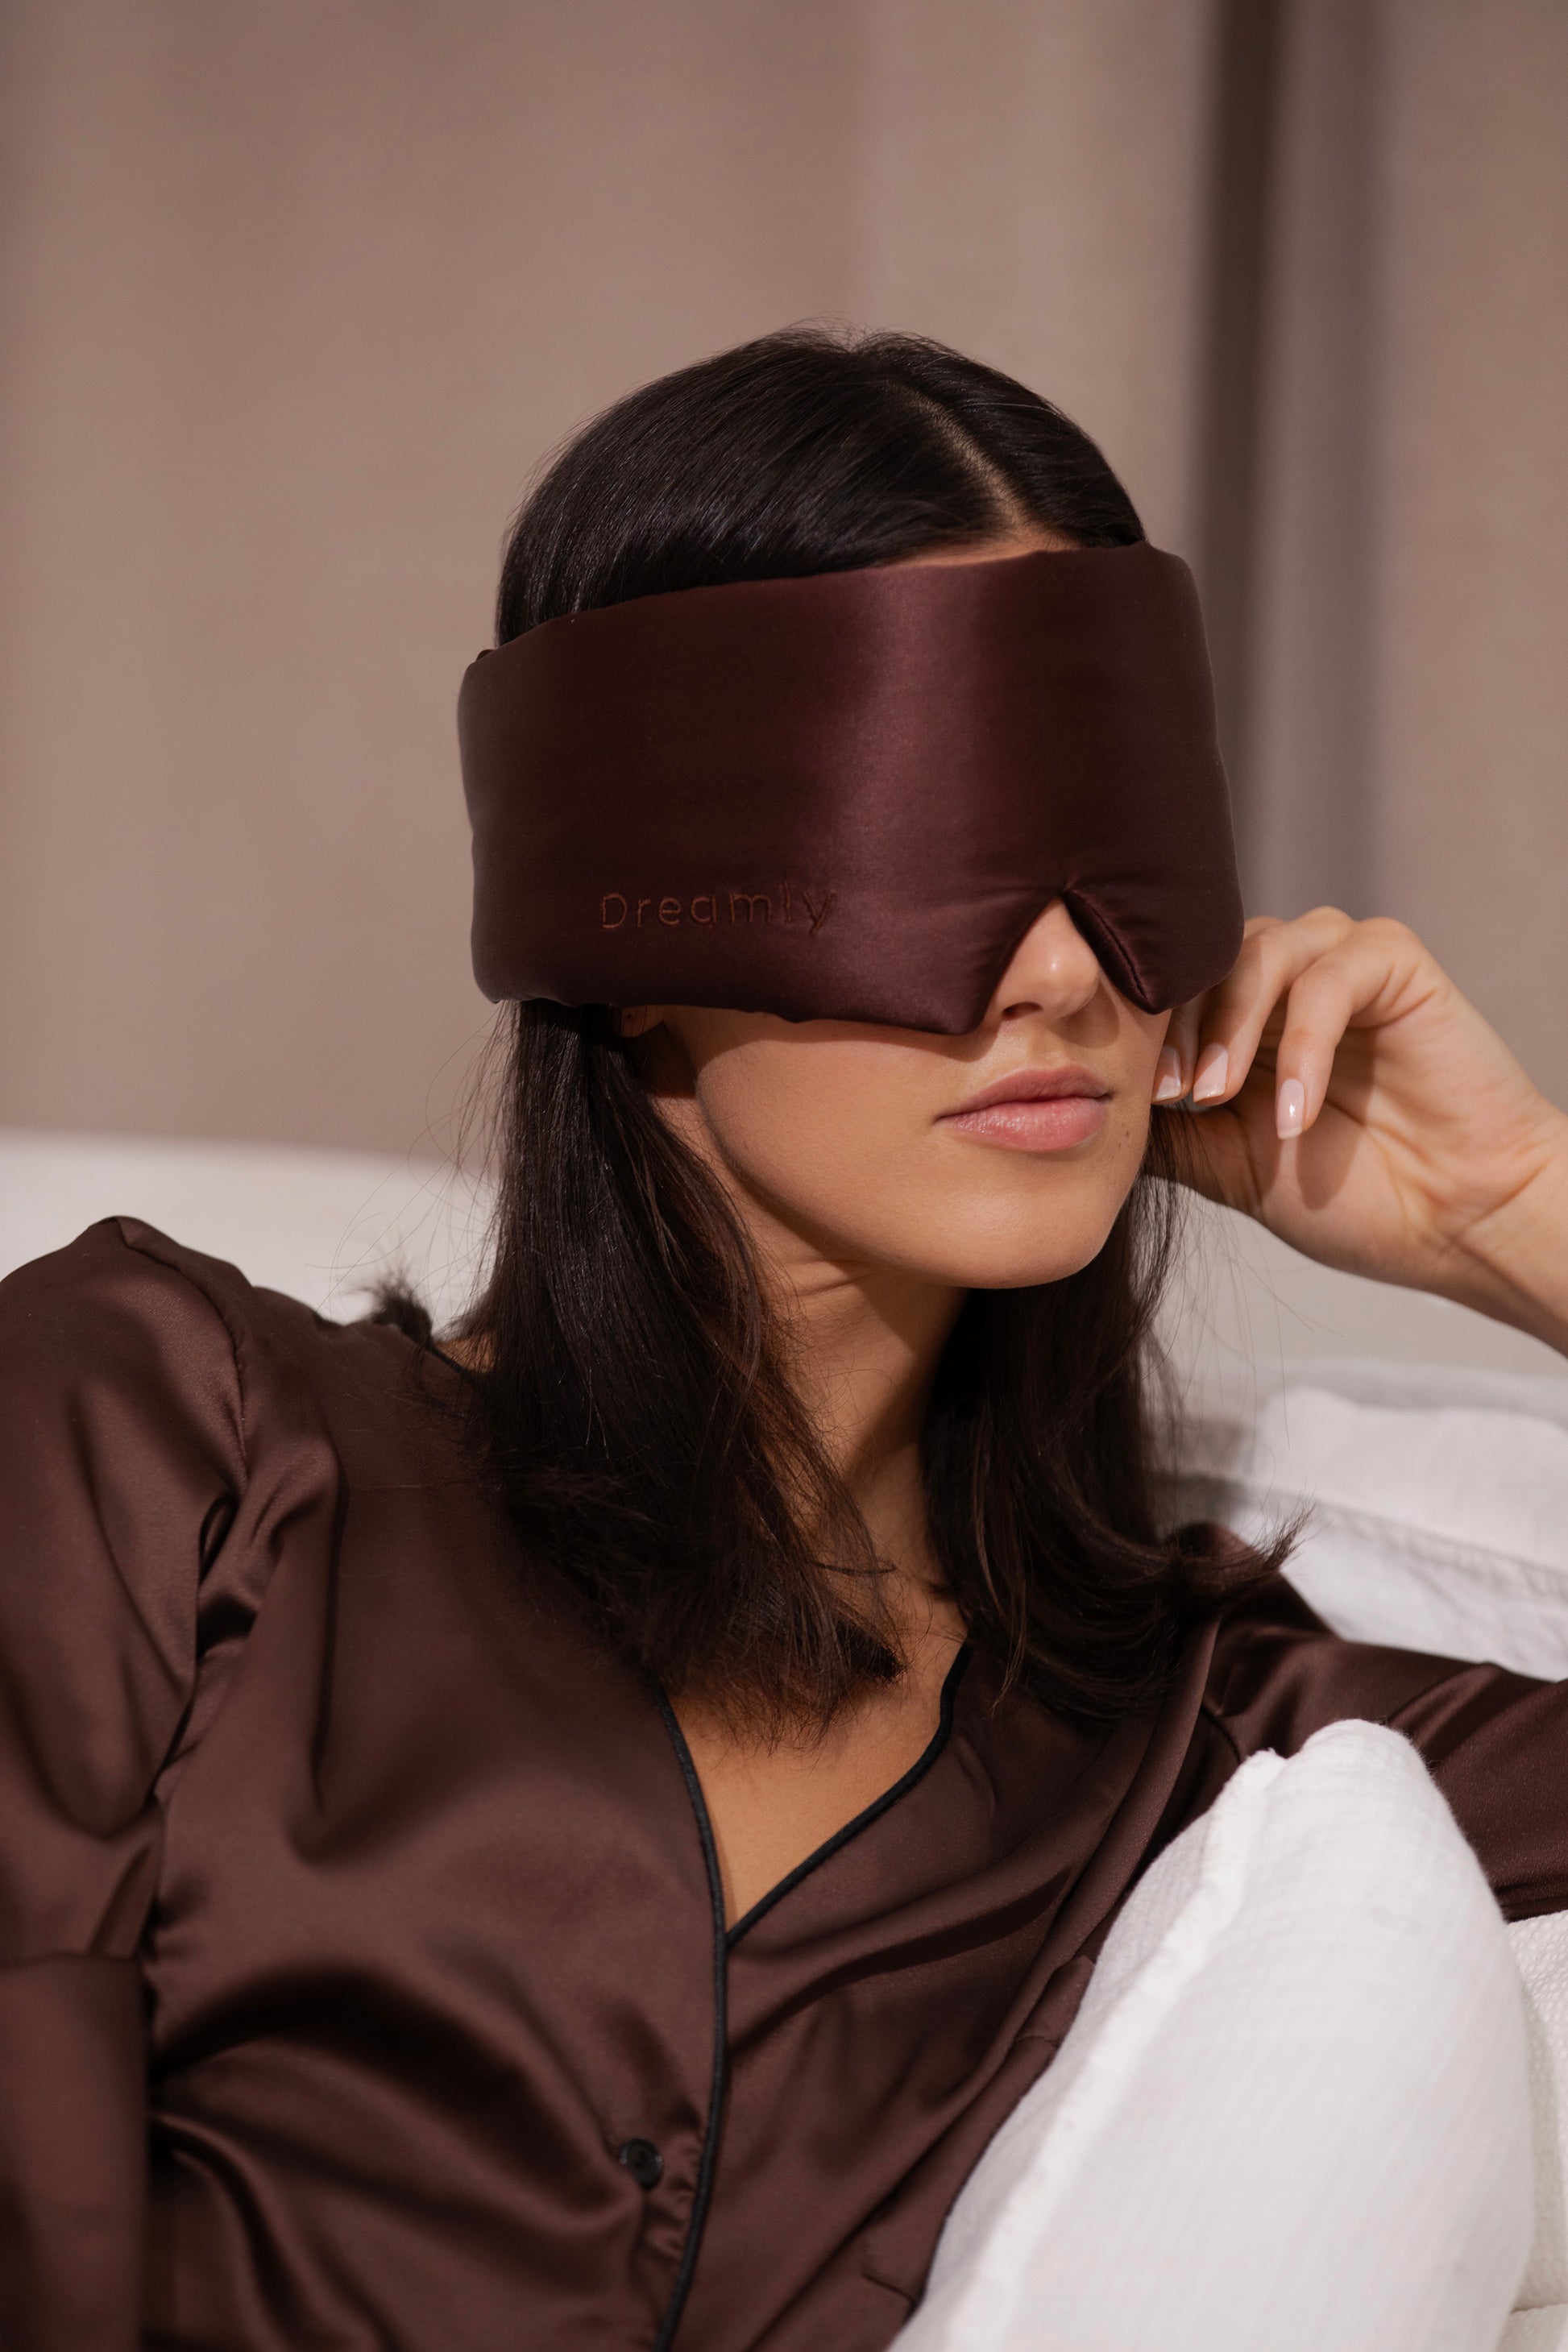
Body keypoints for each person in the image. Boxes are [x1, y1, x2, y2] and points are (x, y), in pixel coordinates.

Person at [3, 326, 1567, 2352]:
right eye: (921, 824)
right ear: (614, 921)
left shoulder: (1208, 1737)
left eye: (1117, 845)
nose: (1063, 974)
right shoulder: (158, 1435)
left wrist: (1515, 1213)